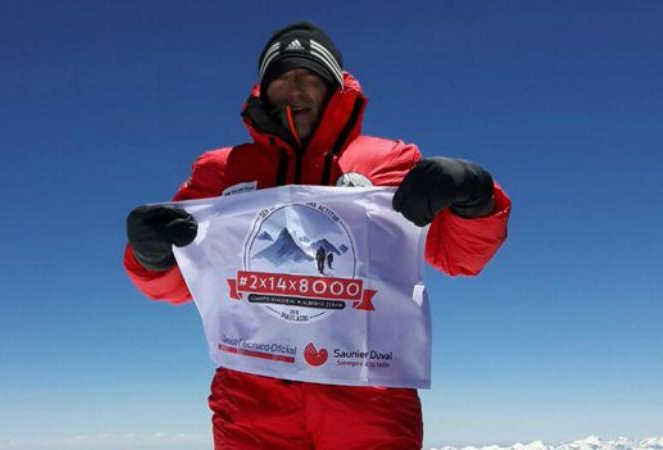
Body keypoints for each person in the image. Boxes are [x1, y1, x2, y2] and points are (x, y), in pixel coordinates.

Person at [125, 21, 511, 450]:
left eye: (311, 76)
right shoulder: (221, 171)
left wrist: (474, 197)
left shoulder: (392, 162)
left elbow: (461, 257)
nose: (297, 89)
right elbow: (181, 282)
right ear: (264, 90)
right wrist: (151, 255)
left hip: (370, 398)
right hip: (252, 402)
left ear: (333, 88)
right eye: (284, 77)